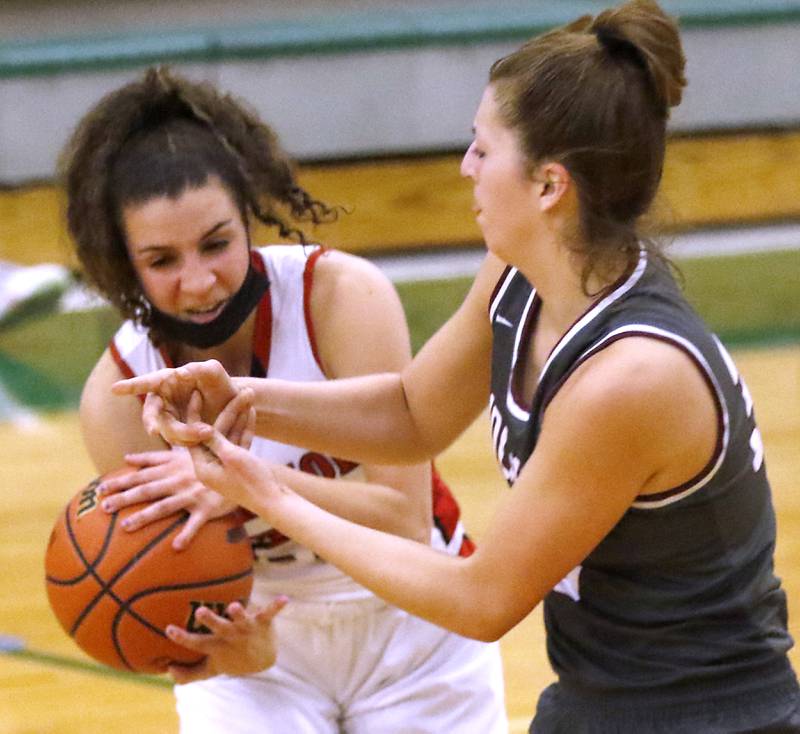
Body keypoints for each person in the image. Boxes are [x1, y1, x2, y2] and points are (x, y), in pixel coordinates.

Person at [115, 1, 800, 732]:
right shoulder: (518, 276)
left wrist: (267, 494)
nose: (465, 167)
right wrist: (244, 398)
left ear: (548, 185)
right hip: (602, 698)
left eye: (482, 147)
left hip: (707, 718)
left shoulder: (630, 379)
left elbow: (481, 601)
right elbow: (414, 414)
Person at [59, 66, 507, 733]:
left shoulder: (340, 299)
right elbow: (171, 584)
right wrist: (237, 653)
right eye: (162, 261)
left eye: (216, 243)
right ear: (126, 263)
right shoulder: (121, 395)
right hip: (264, 645)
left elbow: (401, 520)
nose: (199, 280)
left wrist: (245, 486)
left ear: (249, 217)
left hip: (414, 617)